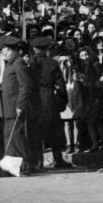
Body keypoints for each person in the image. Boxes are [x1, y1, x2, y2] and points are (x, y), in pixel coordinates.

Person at [30, 37, 71, 168]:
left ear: (34, 49)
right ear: (47, 49)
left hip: (34, 99)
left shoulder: (30, 63)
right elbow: (61, 85)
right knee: (54, 131)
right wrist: (63, 101)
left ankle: (38, 161)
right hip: (49, 99)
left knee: (36, 132)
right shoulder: (52, 63)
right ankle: (58, 159)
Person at [0, 35, 35, 175]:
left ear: (12, 50)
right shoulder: (9, 64)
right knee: (8, 135)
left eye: (5, 50)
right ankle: (12, 164)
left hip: (15, 106)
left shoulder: (18, 63)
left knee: (17, 136)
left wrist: (21, 104)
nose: (3, 52)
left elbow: (25, 86)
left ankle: (26, 165)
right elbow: (6, 82)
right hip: (7, 106)